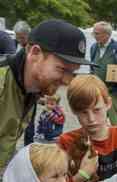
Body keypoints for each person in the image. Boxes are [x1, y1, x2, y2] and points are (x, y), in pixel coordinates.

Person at [0, 19, 95, 167]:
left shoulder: (31, 87)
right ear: (35, 53)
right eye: (62, 69)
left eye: (72, 72)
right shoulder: (3, 85)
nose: (67, 81)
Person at [13, 20, 36, 146]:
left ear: (28, 35)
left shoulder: (33, 48)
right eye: (17, 37)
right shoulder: (18, 46)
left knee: (29, 119)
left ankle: (28, 146)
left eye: (21, 37)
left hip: (30, 89)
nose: (19, 39)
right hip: (18, 88)